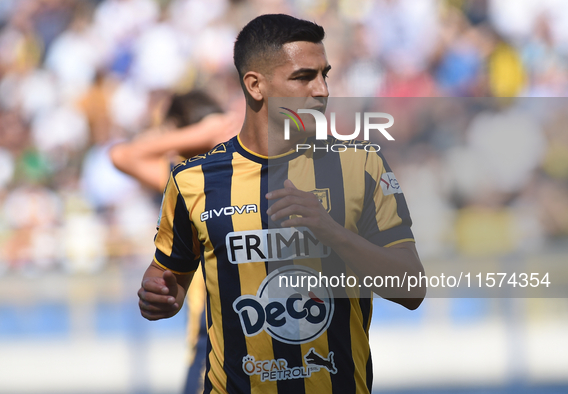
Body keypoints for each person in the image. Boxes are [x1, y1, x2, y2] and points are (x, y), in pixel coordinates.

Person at [137, 14, 426, 394]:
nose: (321, 90)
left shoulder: (362, 166)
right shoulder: (193, 180)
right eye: (303, 77)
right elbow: (168, 284)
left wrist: (331, 232)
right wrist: (156, 295)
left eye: (325, 74)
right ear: (255, 85)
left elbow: (411, 288)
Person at [111, 90, 240, 394]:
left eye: (167, 131)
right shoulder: (186, 178)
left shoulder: (213, 176)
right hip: (209, 341)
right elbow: (120, 156)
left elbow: (124, 155)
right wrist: (201, 133)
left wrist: (198, 133)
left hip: (215, 345)